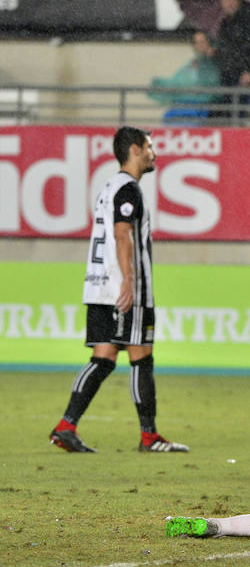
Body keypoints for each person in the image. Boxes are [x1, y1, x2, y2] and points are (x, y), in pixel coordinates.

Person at [48, 127, 188, 454]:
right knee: (141, 356)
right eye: (150, 147)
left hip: (99, 286)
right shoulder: (129, 189)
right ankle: (149, 436)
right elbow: (122, 233)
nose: (154, 153)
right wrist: (128, 281)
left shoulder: (109, 187)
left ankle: (66, 426)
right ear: (136, 150)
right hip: (124, 290)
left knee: (104, 357)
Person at [213, 0, 250, 120]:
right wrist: (214, 53)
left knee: (238, 112)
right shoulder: (225, 22)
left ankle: (239, 137)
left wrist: (249, 70)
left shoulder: (249, 19)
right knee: (227, 111)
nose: (223, 2)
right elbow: (226, 48)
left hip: (242, 75)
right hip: (227, 74)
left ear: (236, 0)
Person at [148, 30, 220, 123]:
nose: (200, 45)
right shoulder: (192, 64)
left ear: (209, 43)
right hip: (182, 107)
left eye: (202, 42)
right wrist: (161, 83)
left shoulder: (215, 62)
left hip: (201, 109)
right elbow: (178, 82)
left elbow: (212, 85)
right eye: (196, 43)